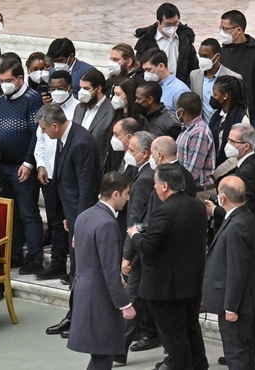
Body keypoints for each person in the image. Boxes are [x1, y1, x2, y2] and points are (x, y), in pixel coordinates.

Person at [127, 164, 208, 370]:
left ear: (164, 186)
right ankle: (198, 365)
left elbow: (148, 246)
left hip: (165, 288)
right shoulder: (197, 206)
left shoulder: (164, 212)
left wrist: (134, 234)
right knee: (190, 327)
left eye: (155, 184)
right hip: (191, 282)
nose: (153, 188)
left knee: (173, 335)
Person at [204, 123, 255, 364]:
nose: (228, 145)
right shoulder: (253, 164)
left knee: (239, 349)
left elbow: (245, 205)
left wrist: (217, 211)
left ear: (245, 146)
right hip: (245, 228)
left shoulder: (250, 170)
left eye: (232, 142)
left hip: (244, 230)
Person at [37, 103, 101, 339]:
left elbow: (86, 189)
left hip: (81, 217)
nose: (44, 133)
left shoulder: (81, 142)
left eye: (45, 129)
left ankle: (80, 319)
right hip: (73, 215)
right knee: (76, 270)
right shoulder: (67, 137)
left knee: (81, 271)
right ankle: (74, 316)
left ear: (55, 125)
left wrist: (80, 225)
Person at [67, 172, 136, 370]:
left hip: (83, 293)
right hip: (100, 300)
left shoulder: (84, 216)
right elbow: (110, 271)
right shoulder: (107, 224)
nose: (128, 198)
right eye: (127, 193)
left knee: (100, 356)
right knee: (103, 355)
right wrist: (125, 304)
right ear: (116, 194)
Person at [202, 175, 255, 369]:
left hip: (236, 303)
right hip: (243, 300)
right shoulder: (244, 217)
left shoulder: (237, 225)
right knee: (244, 349)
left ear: (222, 198)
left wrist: (230, 306)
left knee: (236, 352)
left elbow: (237, 269)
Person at [0, 58, 44, 272]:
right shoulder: (1, 100)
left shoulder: (33, 99)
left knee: (28, 213)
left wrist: (29, 162)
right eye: (1, 80)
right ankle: (13, 254)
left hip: (23, 166)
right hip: (2, 166)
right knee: (9, 213)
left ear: (21, 78)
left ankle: (35, 257)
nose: (5, 84)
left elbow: (37, 134)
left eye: (9, 80)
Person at [116, 131, 157, 364]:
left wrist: (127, 256)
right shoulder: (146, 174)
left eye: (131, 150)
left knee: (131, 299)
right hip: (147, 246)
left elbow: (136, 221)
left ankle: (118, 349)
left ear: (144, 154)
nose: (126, 153)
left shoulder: (143, 180)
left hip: (140, 249)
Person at [33, 72, 79, 281]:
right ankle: (58, 263)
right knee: (55, 221)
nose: (55, 92)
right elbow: (40, 141)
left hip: (70, 177)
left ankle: (75, 266)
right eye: (52, 88)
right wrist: (41, 165)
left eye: (60, 87)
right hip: (50, 174)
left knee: (71, 220)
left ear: (70, 88)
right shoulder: (46, 112)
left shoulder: (77, 109)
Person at [219, 9, 255, 159]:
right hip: (229, 114)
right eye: (221, 28)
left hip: (254, 116)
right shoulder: (223, 52)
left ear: (238, 30)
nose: (222, 32)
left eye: (225, 29)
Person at [133, 2, 198, 86]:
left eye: (175, 23)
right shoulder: (146, 42)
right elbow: (139, 71)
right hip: (154, 89)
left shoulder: (185, 40)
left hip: (179, 87)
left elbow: (194, 67)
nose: (172, 27)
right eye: (167, 24)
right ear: (158, 23)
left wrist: (186, 85)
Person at [189, 38, 241, 124]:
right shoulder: (194, 76)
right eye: (200, 56)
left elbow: (241, 108)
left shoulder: (233, 77)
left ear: (217, 56)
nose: (202, 59)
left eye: (205, 56)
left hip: (224, 128)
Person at [175, 92, 216, 200]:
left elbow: (192, 172)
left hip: (199, 193)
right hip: (189, 190)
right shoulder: (188, 129)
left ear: (181, 111)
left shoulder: (199, 132)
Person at [72, 68, 114, 166]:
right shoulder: (79, 108)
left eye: (86, 88)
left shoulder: (111, 111)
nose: (82, 92)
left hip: (97, 166)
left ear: (98, 89)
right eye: (81, 88)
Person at [107, 78, 148, 172]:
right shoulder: (115, 114)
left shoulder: (140, 120)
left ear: (128, 95)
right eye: (114, 94)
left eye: (118, 94)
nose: (115, 97)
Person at [208, 75, 249, 164]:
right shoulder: (217, 115)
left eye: (215, 94)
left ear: (225, 96)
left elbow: (241, 153)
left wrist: (218, 173)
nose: (212, 97)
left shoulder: (242, 120)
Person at [140, 48, 190, 114]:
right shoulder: (150, 86)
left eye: (149, 70)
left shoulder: (179, 90)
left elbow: (187, 120)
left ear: (161, 66)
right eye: (144, 70)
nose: (146, 74)